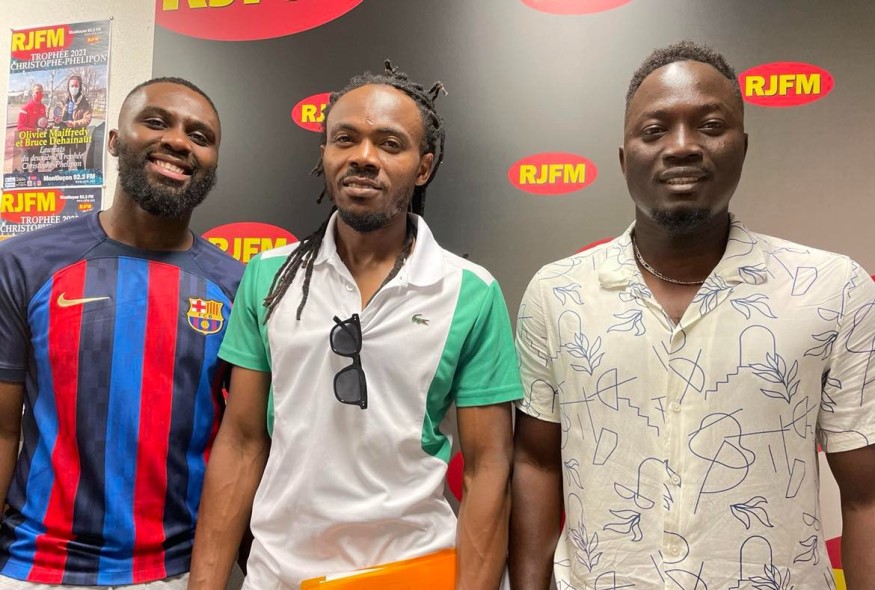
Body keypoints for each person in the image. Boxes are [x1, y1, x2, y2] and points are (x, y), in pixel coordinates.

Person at [510, 41, 875, 590]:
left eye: (709, 126)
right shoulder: (557, 294)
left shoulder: (833, 289)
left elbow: (867, 496)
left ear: (743, 148)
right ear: (623, 158)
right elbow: (537, 465)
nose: (682, 146)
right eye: (655, 130)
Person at [188, 62, 522, 590]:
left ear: (424, 167)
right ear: (324, 152)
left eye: (390, 144)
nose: (363, 156)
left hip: (414, 574)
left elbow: (488, 469)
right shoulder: (268, 277)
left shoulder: (470, 291)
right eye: (345, 139)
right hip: (280, 575)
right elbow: (243, 441)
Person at [0, 77, 244, 588]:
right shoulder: (24, 262)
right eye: (156, 122)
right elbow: (2, 429)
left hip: (179, 569)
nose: (178, 141)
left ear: (213, 163)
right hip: (36, 566)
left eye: (200, 136)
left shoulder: (237, 286)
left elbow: (243, 442)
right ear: (113, 140)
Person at [59, 74, 94, 170]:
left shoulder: (85, 103)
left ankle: (81, 176)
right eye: (72, 86)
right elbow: (59, 116)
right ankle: (64, 177)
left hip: (77, 136)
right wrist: (57, 119)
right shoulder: (64, 101)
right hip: (64, 135)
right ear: (68, 87)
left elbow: (87, 120)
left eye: (76, 86)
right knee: (63, 160)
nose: (74, 88)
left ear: (80, 87)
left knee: (78, 159)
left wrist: (73, 124)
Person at [14, 84, 47, 173]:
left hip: (37, 143)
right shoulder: (25, 108)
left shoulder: (43, 107)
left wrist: (46, 126)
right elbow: (20, 127)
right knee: (24, 168)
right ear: (33, 93)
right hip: (26, 143)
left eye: (41, 92)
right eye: (37, 92)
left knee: (35, 169)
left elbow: (43, 122)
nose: (39, 94)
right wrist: (35, 130)